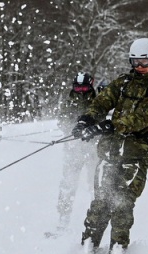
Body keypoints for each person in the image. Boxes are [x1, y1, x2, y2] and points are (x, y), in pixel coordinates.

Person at [71, 37, 148, 254]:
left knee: (122, 204)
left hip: (136, 155)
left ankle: (118, 251)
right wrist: (87, 119)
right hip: (110, 152)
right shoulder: (124, 82)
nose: (140, 68)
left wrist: (109, 125)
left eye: (144, 63)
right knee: (100, 202)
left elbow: (141, 118)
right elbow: (102, 101)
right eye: (135, 63)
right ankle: (87, 250)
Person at [54, 72, 98, 232]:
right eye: (78, 87)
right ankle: (63, 219)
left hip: (93, 149)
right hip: (73, 150)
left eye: (84, 87)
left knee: (95, 184)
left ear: (90, 86)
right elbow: (62, 120)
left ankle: (97, 219)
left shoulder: (97, 100)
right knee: (68, 184)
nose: (81, 91)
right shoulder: (68, 102)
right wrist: (71, 127)